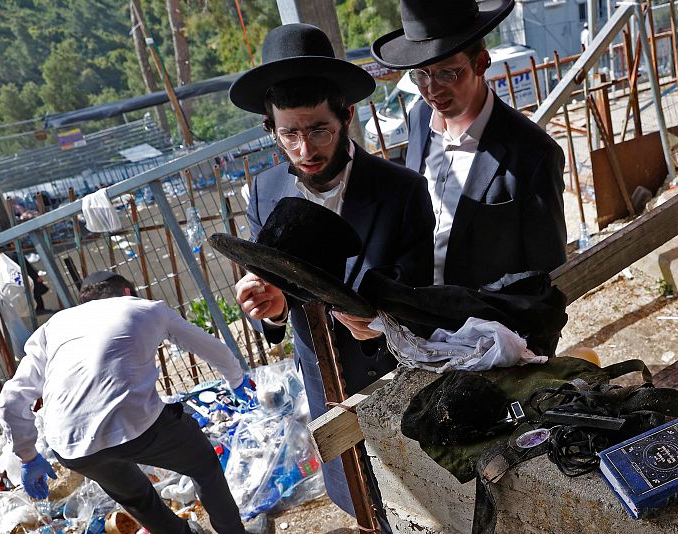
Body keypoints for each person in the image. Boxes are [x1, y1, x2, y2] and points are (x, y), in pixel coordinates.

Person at [228, 23, 434, 528]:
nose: (304, 149)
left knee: (422, 499)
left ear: (346, 116)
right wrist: (269, 310)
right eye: (289, 134)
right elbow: (274, 293)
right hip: (324, 382)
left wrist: (383, 320)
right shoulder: (264, 191)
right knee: (360, 501)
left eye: (318, 129)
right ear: (271, 130)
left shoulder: (401, 189)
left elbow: (420, 291)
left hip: (397, 374)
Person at [0, 271, 251, 534]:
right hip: (140, 426)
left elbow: (11, 399)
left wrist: (28, 457)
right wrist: (237, 379)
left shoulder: (52, 326)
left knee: (137, 498)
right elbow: (209, 346)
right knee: (203, 464)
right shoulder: (148, 309)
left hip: (71, 446)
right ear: (127, 292)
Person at [372, 0, 568, 307]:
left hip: (491, 336)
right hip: (420, 323)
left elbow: (545, 281)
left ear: (481, 63)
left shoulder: (534, 155)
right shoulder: (419, 119)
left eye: (447, 74)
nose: (432, 90)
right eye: (420, 75)